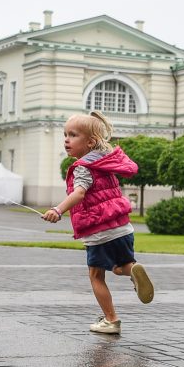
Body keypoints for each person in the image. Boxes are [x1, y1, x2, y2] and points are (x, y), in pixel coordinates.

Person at [42, 111, 154, 334]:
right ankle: (133, 271)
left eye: (73, 135)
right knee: (118, 266)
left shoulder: (83, 167)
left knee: (96, 276)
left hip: (99, 231)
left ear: (90, 142)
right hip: (122, 228)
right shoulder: (105, 162)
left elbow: (80, 193)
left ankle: (111, 320)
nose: (66, 139)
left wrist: (58, 209)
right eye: (65, 134)